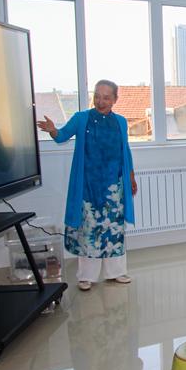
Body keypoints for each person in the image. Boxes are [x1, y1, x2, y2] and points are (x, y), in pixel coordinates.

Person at [37, 79, 137, 291]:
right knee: (89, 229)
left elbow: (125, 150)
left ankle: (116, 272)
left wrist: (131, 176)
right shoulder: (81, 118)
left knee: (114, 230)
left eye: (106, 97)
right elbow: (62, 136)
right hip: (88, 186)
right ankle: (86, 276)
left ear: (115, 100)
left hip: (114, 187)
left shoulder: (121, 121)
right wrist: (53, 130)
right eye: (97, 96)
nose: (101, 101)